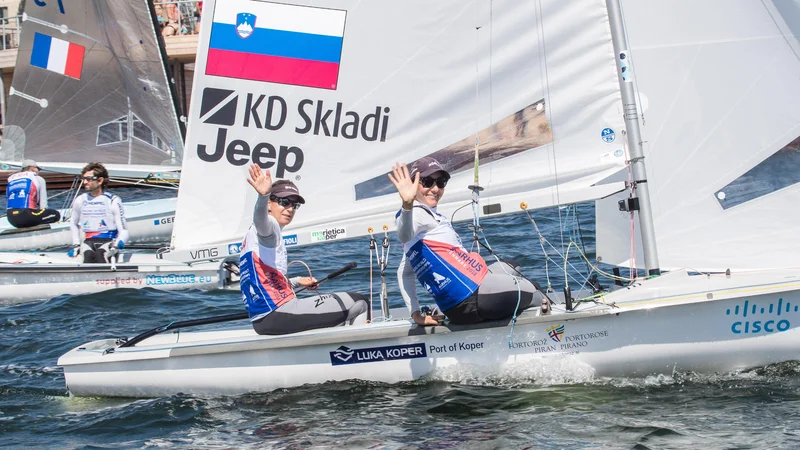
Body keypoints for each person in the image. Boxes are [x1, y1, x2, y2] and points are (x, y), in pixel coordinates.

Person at [388, 157, 544, 326]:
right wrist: (407, 204)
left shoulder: (426, 218)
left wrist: (415, 314)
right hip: (471, 298)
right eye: (427, 182)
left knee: (513, 267)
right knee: (533, 290)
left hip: (462, 301)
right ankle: (552, 335)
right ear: (413, 185)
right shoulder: (414, 214)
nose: (435, 189)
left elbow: (404, 272)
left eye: (441, 182)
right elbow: (404, 234)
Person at [240, 163, 368, 335]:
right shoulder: (268, 228)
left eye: (295, 205)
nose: (290, 209)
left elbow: (267, 281)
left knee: (334, 315)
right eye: (285, 202)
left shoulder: (251, 237)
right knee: (359, 302)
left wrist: (298, 280)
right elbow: (261, 220)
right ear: (270, 204)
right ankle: (356, 357)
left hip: (263, 319)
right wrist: (262, 197)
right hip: (278, 312)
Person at [68, 162, 129, 263]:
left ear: (100, 180)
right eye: (83, 179)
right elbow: (73, 223)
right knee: (88, 256)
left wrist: (119, 242)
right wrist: (76, 244)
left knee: (100, 255)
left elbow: (124, 230)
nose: (84, 182)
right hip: (88, 242)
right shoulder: (80, 200)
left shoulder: (113, 200)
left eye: (88, 179)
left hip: (109, 241)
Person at [5, 159, 61, 228]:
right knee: (55, 214)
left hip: (11, 218)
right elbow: (43, 206)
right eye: (37, 169)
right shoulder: (38, 179)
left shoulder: (11, 179)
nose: (38, 172)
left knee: (29, 213)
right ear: (32, 168)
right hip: (27, 215)